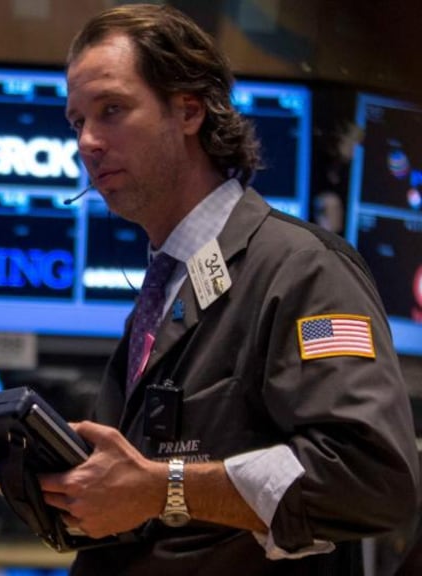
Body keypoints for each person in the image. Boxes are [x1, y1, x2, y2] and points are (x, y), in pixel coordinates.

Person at [38, 4, 419, 575]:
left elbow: (366, 479)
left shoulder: (303, 271)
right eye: (76, 122)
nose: (87, 142)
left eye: (112, 110)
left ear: (188, 110)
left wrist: (163, 489)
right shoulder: (167, 285)